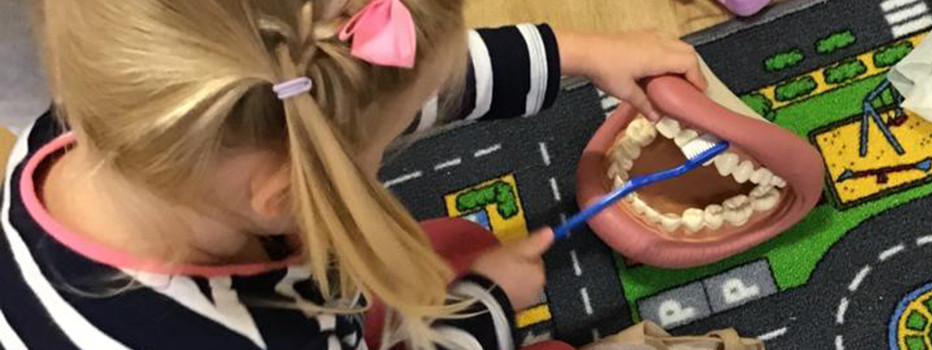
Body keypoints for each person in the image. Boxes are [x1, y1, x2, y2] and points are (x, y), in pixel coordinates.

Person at [0, 0, 707, 349]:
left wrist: (577, 52)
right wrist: (487, 305)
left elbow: (366, 88)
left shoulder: (115, 116)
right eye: (390, 139)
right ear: (283, 194)